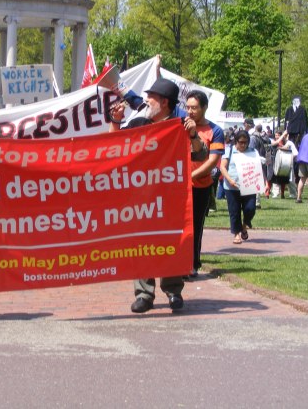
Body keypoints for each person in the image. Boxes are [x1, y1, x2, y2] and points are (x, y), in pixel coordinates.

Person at [109, 78, 206, 313]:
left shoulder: (180, 126)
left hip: (170, 198)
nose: (146, 101)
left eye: (151, 97)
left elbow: (200, 155)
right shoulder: (139, 123)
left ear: (164, 102)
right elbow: (113, 147)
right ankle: (144, 294)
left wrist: (193, 136)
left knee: (171, 242)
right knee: (142, 243)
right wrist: (116, 121)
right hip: (141, 198)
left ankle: (173, 291)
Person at [184, 90, 224, 278]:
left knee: (195, 225)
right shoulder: (180, 125)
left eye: (194, 108)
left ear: (204, 108)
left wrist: (190, 176)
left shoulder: (215, 131)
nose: (190, 111)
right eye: (188, 107)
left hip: (200, 186)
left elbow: (212, 161)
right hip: (178, 185)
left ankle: (193, 263)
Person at [218, 130, 263, 244]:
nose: (243, 145)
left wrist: (264, 182)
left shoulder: (253, 151)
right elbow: (222, 167)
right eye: (241, 142)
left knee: (250, 208)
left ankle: (244, 225)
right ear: (236, 141)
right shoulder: (229, 150)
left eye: (245, 142)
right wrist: (230, 180)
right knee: (234, 211)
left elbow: (258, 168)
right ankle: (236, 234)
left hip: (249, 186)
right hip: (231, 187)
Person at [270, 130, 297, 199]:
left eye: (278, 135)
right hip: (277, 164)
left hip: (288, 164)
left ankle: (293, 194)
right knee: (276, 179)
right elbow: (273, 145)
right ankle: (275, 193)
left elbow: (295, 153)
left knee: (290, 180)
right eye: (276, 135)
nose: (277, 137)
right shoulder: (275, 142)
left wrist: (289, 159)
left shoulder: (289, 143)